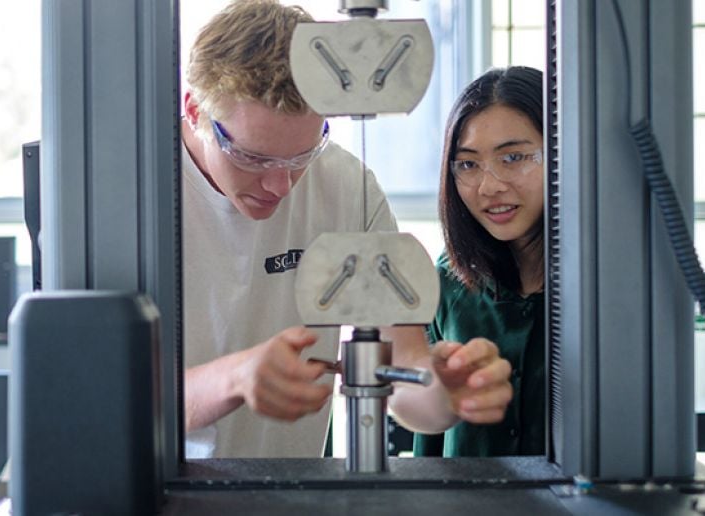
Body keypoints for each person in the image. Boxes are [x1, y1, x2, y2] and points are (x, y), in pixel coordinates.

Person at [182, 0, 514, 459]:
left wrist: (445, 393)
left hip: (292, 492)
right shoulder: (131, 200)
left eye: (301, 156)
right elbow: (96, 397)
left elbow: (403, 369)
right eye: (253, 158)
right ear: (195, 112)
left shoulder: (347, 187)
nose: (280, 185)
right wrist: (231, 379)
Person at [390, 66, 546, 457]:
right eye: (468, 164)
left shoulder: (609, 286)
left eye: (513, 157)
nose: (489, 186)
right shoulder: (446, 284)